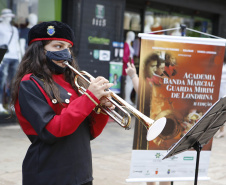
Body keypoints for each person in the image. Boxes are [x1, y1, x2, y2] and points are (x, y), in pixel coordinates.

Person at [11, 21, 114, 185]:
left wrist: (100, 108)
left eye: (68, 47)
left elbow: (90, 132)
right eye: (58, 46)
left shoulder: (74, 82)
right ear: (39, 49)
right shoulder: (29, 83)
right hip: (49, 174)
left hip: (81, 172)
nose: (65, 52)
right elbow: (52, 130)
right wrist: (89, 99)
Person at [0, 8, 20, 113]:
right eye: (6, 16)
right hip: (4, 57)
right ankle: (0, 104)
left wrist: (20, 56)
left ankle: (12, 104)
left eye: (9, 16)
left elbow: (16, 44)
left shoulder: (14, 29)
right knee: (1, 81)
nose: (8, 18)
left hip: (14, 57)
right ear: (3, 17)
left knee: (14, 82)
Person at [122, 31, 135, 105]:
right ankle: (127, 98)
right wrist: (128, 64)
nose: (133, 37)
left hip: (130, 65)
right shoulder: (126, 44)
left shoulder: (128, 44)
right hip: (128, 66)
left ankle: (128, 98)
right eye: (132, 35)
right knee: (129, 82)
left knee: (131, 82)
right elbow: (124, 57)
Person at [215, 59, 226, 138]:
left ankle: (222, 131)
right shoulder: (219, 66)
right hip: (217, 93)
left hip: (223, 93)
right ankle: (220, 130)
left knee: (222, 113)